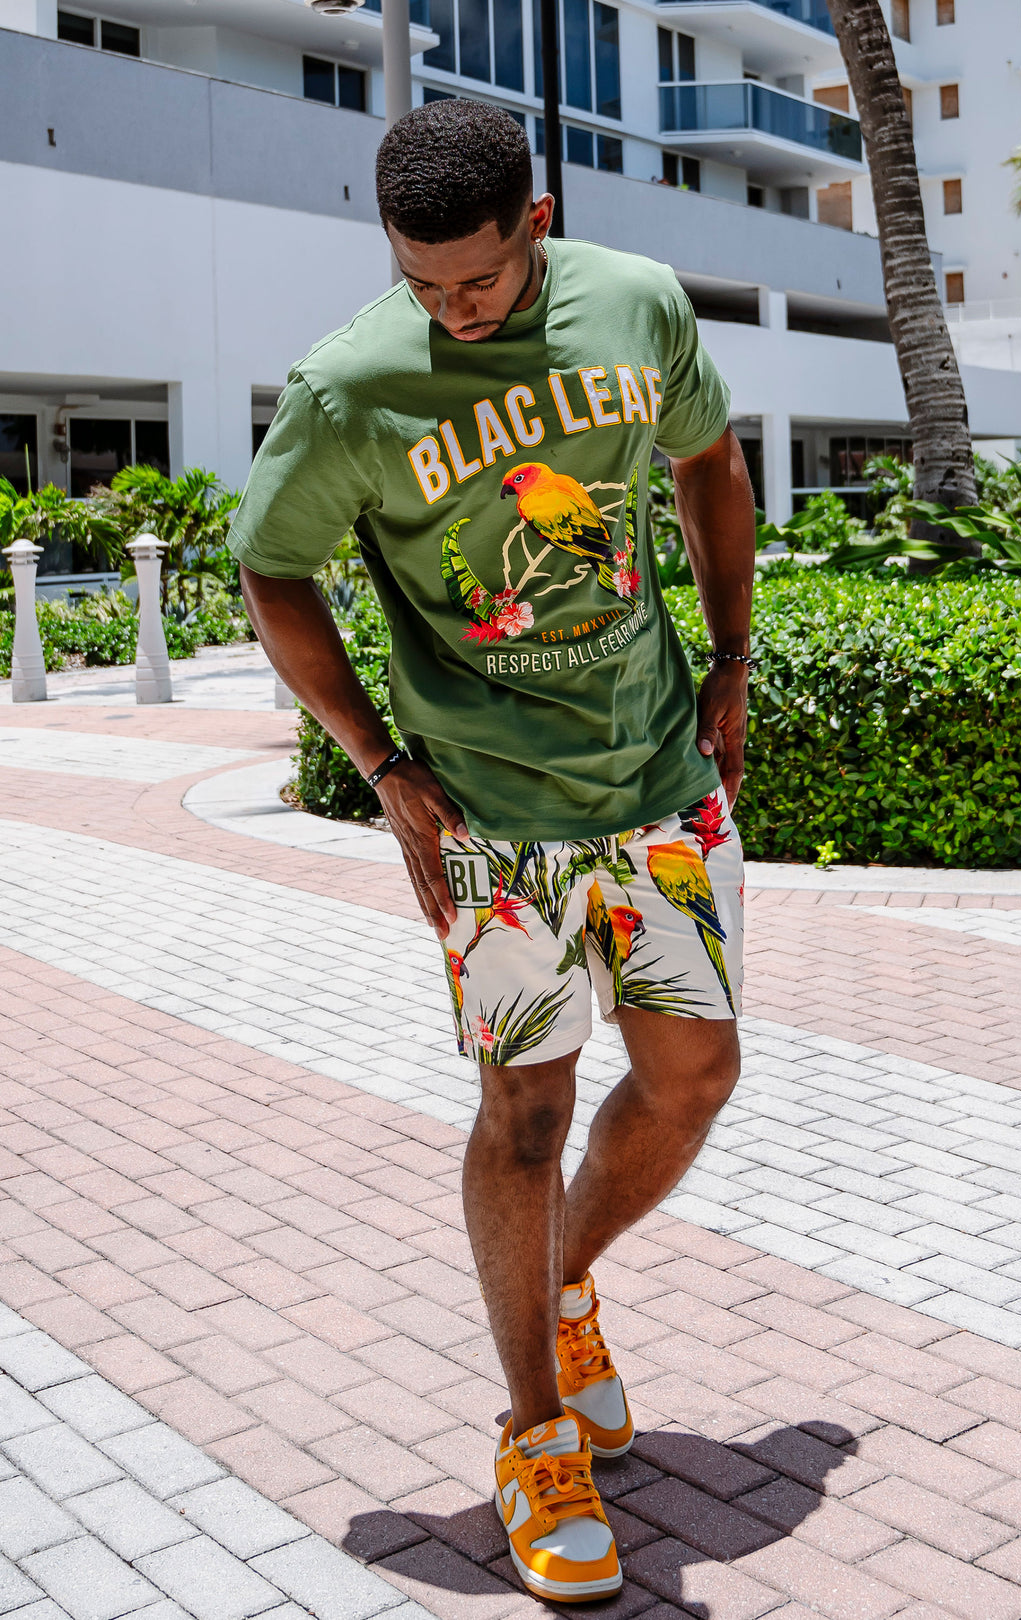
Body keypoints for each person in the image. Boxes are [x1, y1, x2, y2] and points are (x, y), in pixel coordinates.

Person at [230, 98, 755, 1605]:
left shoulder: (637, 305)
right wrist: (384, 769)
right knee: (524, 1114)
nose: (450, 314)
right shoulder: (352, 385)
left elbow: (711, 466)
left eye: (476, 283)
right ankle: (535, 1436)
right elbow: (273, 572)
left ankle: (562, 1278)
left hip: (658, 780)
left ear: (536, 226)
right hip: (491, 820)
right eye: (421, 284)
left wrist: (728, 660)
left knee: (694, 1078)